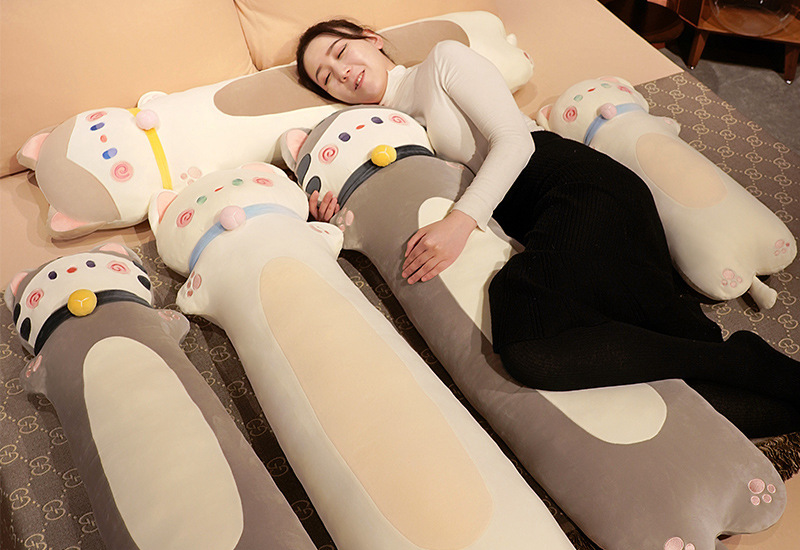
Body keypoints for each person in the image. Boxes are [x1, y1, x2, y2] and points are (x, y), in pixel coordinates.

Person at [295, 19, 800, 438]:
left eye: (342, 52)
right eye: (326, 77)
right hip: (541, 220)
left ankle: (740, 360)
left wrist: (460, 222)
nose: (343, 72)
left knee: (529, 345)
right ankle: (740, 361)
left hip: (573, 187)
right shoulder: (381, 126)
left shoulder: (442, 61)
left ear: (372, 38)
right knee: (709, 404)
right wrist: (331, 203)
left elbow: (515, 141)